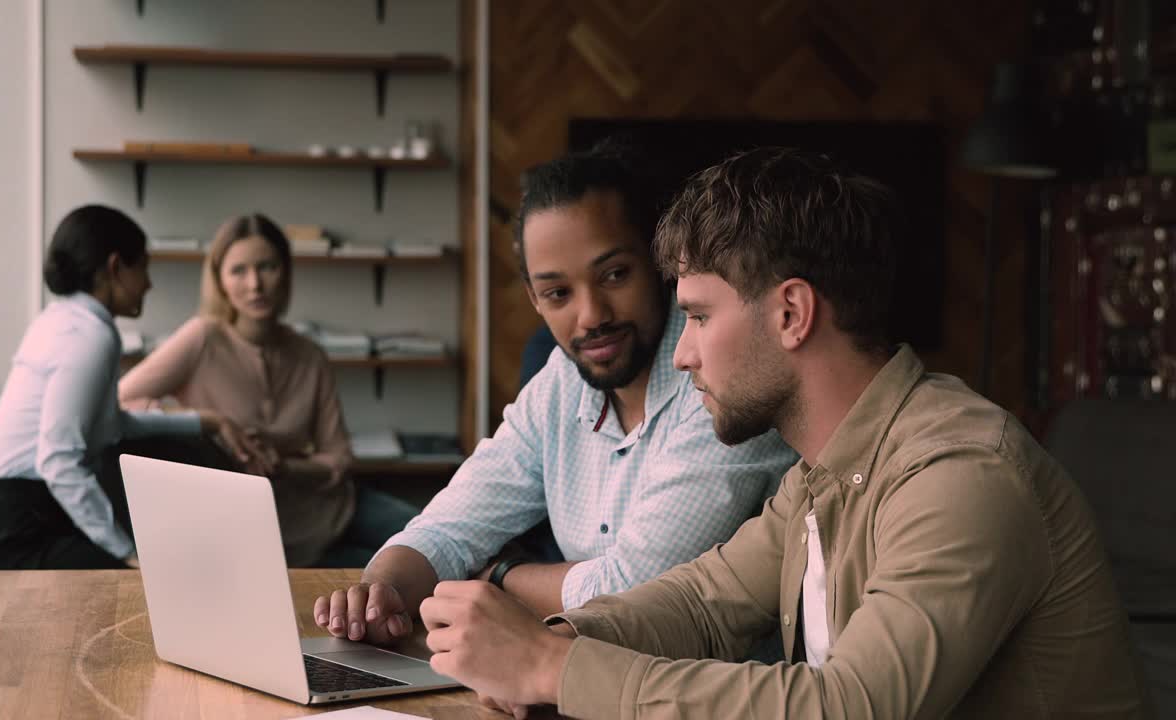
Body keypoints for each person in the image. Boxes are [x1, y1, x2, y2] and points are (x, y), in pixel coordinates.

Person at [411, 148, 1149, 718]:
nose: (682, 353)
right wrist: (562, 643)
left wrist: (550, 670)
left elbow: (851, 706)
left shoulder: (962, 476)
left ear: (791, 313)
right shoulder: (819, 477)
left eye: (699, 316)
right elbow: (701, 603)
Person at [315, 145, 798, 643]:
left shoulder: (723, 373)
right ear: (533, 299)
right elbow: (448, 526)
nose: (591, 316)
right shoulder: (562, 380)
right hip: (584, 673)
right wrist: (380, 591)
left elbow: (632, 591)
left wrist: (497, 578)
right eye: (558, 293)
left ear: (658, 264)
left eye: (614, 275)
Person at [0, 205, 268, 597]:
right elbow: (59, 460)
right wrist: (128, 553)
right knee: (141, 589)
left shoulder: (62, 319)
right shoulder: (89, 337)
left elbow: (114, 426)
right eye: (143, 268)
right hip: (1, 531)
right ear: (115, 267)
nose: (148, 284)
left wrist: (208, 421)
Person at [119, 213, 420, 568]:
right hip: (258, 532)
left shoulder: (309, 354)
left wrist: (286, 467)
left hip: (332, 506)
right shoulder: (202, 338)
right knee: (392, 580)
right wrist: (209, 422)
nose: (255, 284)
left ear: (286, 273)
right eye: (238, 271)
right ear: (219, 280)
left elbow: (339, 457)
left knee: (430, 537)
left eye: (267, 267)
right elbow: (121, 401)